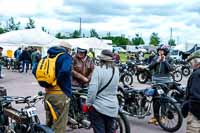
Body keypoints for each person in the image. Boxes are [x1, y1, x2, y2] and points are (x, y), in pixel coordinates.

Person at [32, 42, 72, 133]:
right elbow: (65, 70)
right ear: (67, 49)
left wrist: (46, 83)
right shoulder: (65, 57)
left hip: (48, 94)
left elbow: (35, 70)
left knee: (49, 122)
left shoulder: (47, 57)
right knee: (59, 123)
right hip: (60, 94)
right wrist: (56, 81)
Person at [86, 49, 119, 133]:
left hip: (99, 106)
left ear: (101, 59)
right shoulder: (116, 70)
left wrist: (89, 103)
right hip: (113, 106)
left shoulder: (98, 70)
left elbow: (92, 89)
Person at [146, 44, 173, 125]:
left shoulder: (169, 59)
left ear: (165, 52)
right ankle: (155, 117)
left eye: (162, 50)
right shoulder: (155, 58)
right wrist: (156, 61)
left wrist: (164, 61)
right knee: (155, 99)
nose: (160, 52)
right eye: (159, 50)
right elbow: (149, 67)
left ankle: (163, 117)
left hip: (165, 82)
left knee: (163, 99)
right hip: (155, 82)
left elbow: (171, 69)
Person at [183, 50, 200, 133]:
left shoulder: (196, 74)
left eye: (191, 62)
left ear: (197, 61)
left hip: (196, 114)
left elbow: (195, 97)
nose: (191, 64)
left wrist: (187, 106)